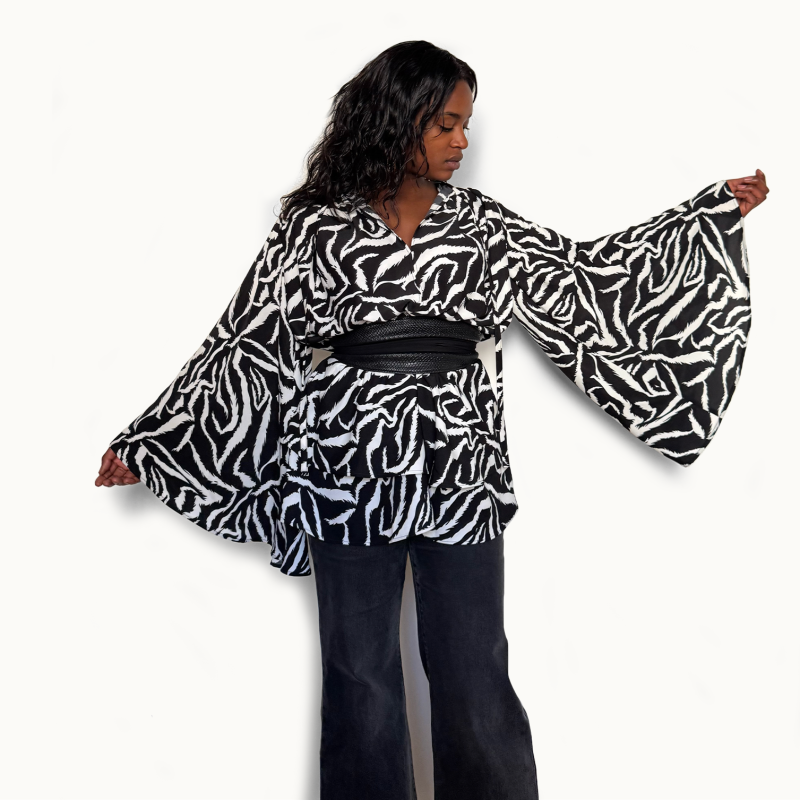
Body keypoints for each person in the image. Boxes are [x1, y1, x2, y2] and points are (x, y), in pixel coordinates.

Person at [95, 40, 768, 800]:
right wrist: (156, 442)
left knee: (473, 668)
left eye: (465, 124)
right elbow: (247, 336)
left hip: (461, 471)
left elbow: (591, 279)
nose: (461, 141)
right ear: (397, 118)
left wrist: (708, 216)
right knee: (360, 676)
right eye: (445, 124)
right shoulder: (315, 228)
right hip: (345, 470)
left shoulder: (482, 226)